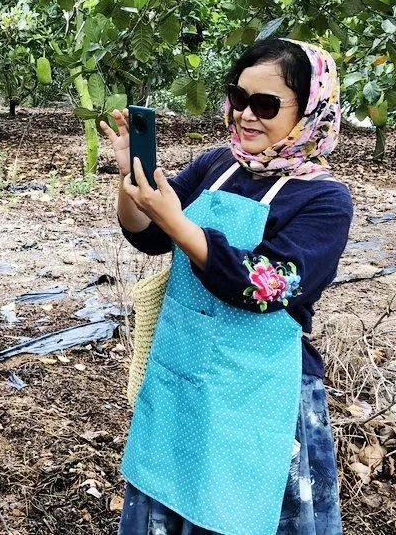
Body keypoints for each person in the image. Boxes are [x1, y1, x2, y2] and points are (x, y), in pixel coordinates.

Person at [100, 38, 352, 535]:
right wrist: (130, 183)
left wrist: (181, 225)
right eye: (238, 98)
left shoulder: (325, 201)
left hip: (259, 392)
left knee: (242, 511)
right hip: (184, 372)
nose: (245, 116)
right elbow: (151, 236)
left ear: (311, 111)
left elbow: (268, 285)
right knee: (170, 491)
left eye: (265, 105)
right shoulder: (219, 165)